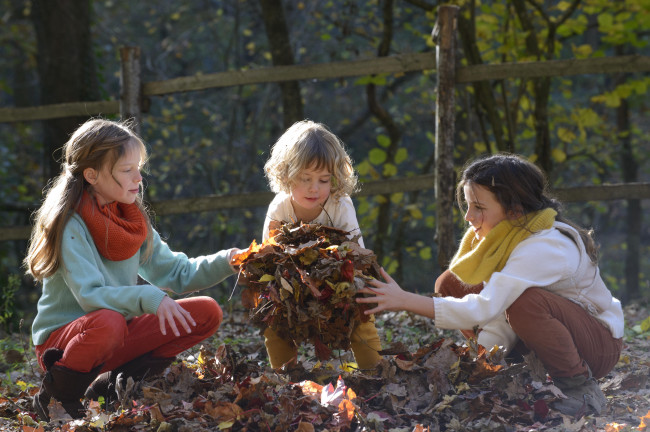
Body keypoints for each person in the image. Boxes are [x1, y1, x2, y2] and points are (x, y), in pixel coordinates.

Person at [357, 153, 624, 417]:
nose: (468, 216)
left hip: (597, 346)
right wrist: (478, 366)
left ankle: (580, 387)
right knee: (451, 283)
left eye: (479, 207)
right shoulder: (505, 237)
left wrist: (404, 299)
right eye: (468, 204)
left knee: (524, 302)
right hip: (547, 333)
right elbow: (497, 318)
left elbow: (485, 308)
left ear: (514, 210)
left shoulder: (546, 246)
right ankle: (511, 370)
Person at [24, 118, 240, 421]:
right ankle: (57, 395)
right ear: (92, 175)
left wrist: (230, 260)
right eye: (127, 170)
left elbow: (178, 272)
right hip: (64, 343)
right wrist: (149, 297)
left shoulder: (131, 219)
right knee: (109, 322)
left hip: (114, 331)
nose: (138, 177)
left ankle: (113, 385)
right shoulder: (70, 224)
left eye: (138, 168)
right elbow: (91, 296)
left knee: (205, 313)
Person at [260, 119, 382, 370]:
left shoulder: (340, 204)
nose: (314, 188)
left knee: (363, 313)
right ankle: (286, 376)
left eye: (324, 180)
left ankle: (376, 372)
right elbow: (268, 257)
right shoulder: (280, 207)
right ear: (286, 174)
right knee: (273, 318)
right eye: (305, 178)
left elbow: (355, 253)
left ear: (335, 179)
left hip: (338, 280)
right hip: (292, 283)